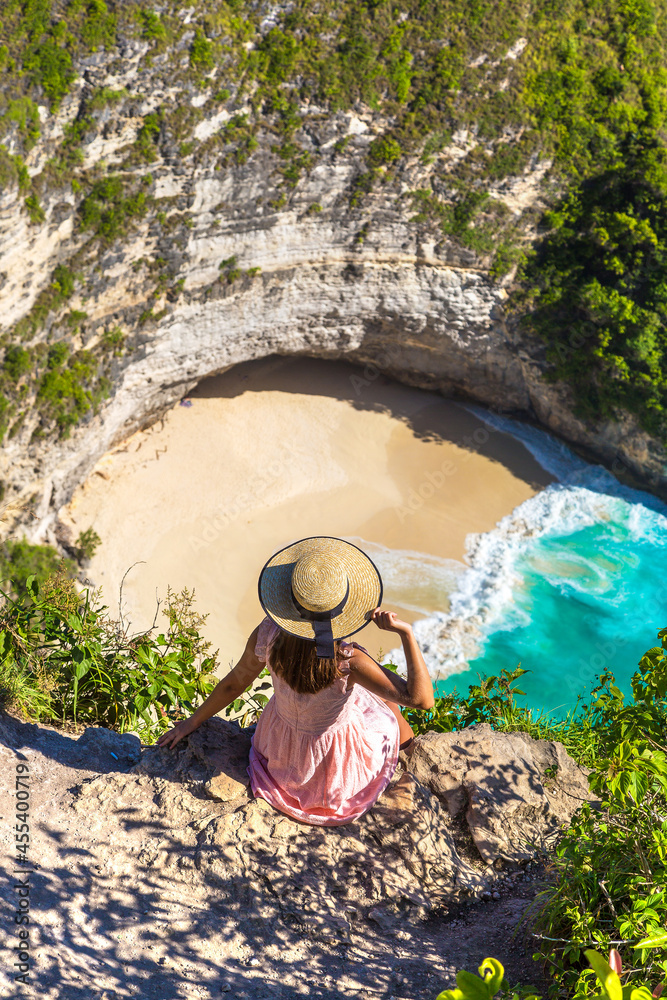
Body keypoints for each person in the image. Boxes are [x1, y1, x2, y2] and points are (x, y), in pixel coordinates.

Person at [157, 536, 434, 825]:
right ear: (344, 607)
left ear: (290, 604)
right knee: (389, 703)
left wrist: (192, 722)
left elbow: (234, 684)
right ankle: (409, 759)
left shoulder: (268, 635)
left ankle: (408, 757)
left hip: (279, 751)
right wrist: (406, 633)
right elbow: (422, 700)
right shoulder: (349, 659)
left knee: (376, 699)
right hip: (333, 766)